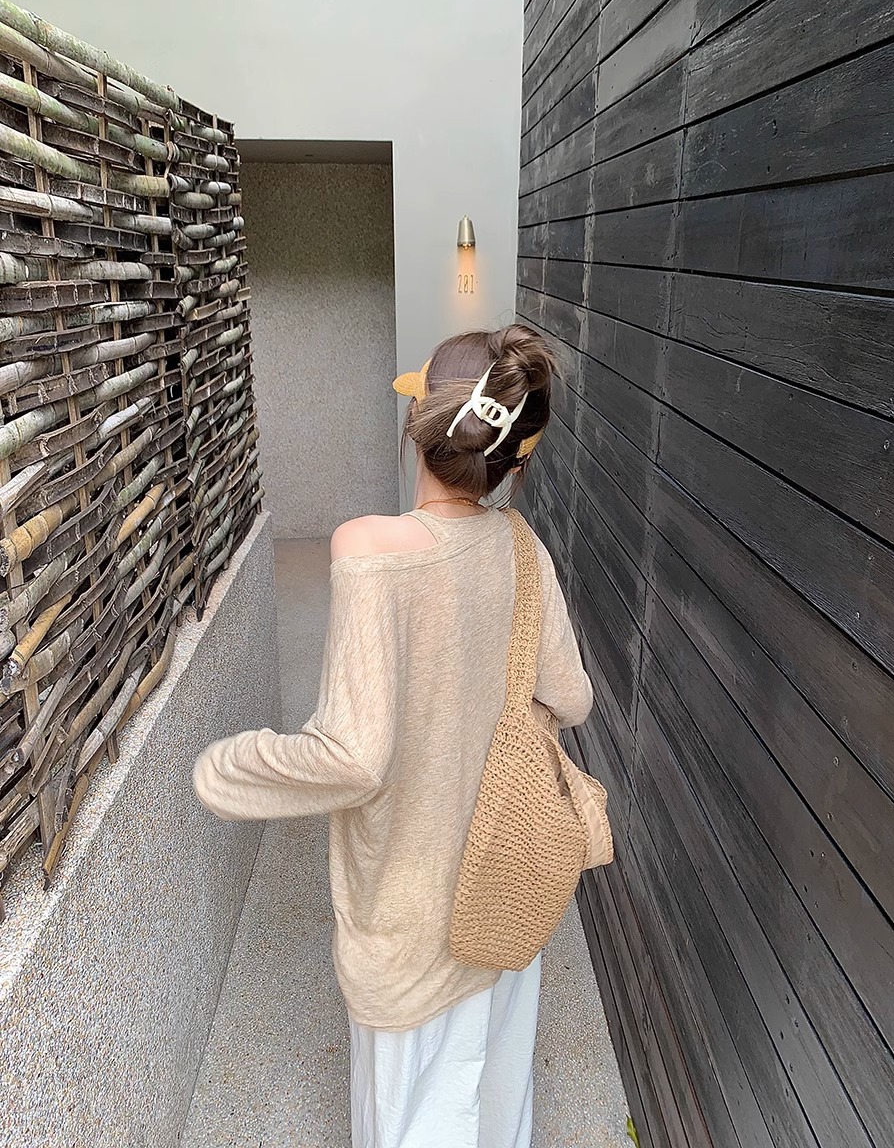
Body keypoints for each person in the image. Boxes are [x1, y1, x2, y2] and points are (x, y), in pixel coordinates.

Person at [192, 323, 594, 1148]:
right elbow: (573, 698)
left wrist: (226, 766)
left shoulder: (369, 550)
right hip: (503, 894)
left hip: (410, 921)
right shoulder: (525, 552)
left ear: (418, 422)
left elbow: (352, 758)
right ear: (516, 460)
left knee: (414, 1119)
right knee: (495, 1104)